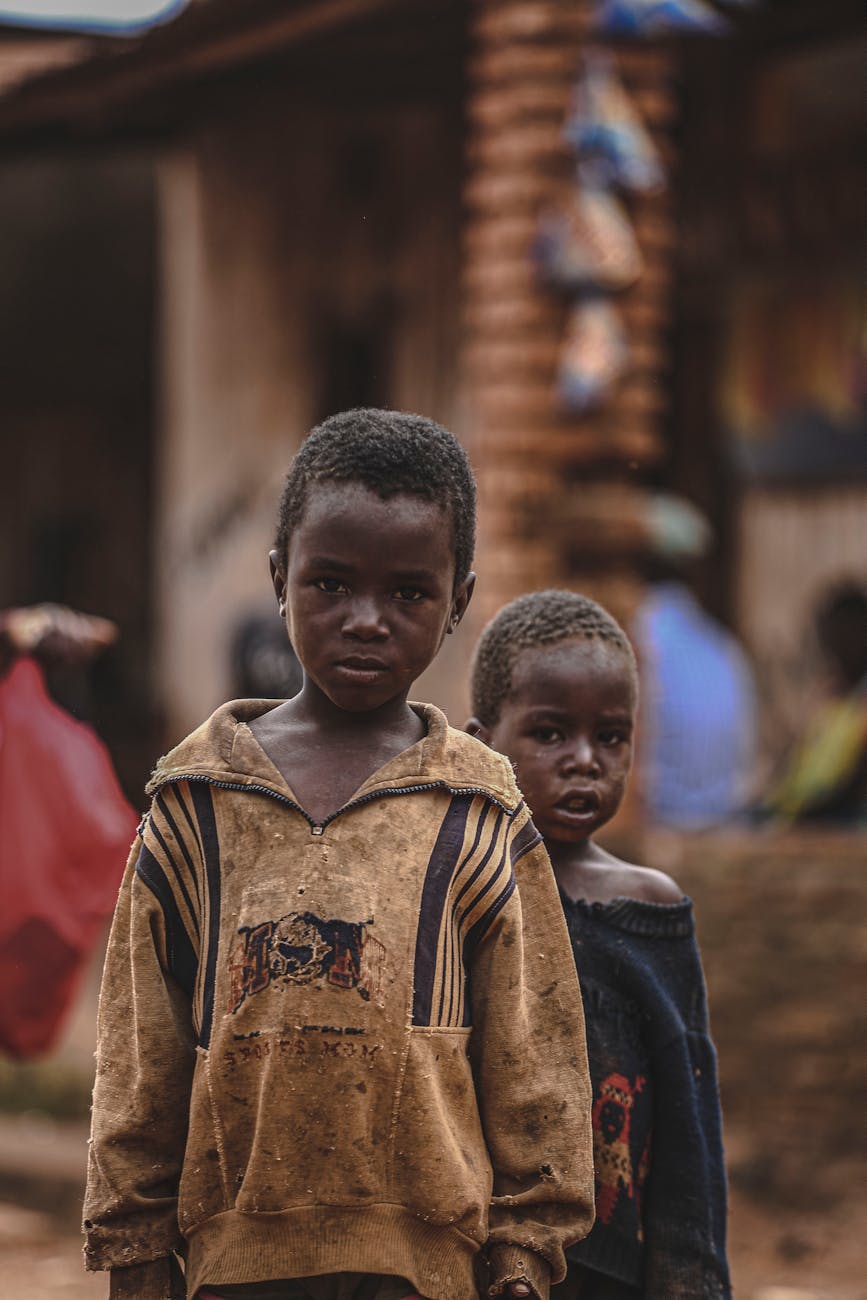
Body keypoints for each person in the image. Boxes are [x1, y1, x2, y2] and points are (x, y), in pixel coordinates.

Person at [83, 411, 595, 1300]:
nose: (366, 621)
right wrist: (133, 1246)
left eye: (408, 593)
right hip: (231, 1260)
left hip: (429, 1264)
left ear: (458, 601)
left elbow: (534, 1048)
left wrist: (523, 1250)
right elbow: (140, 1047)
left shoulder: (481, 809)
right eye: (329, 584)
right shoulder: (196, 802)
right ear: (279, 579)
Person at [467, 590, 731, 1300]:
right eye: (549, 734)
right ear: (480, 740)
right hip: (472, 1263)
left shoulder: (644, 911)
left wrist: (691, 1280)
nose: (584, 761)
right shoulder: (459, 899)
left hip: (608, 1271)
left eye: (610, 737)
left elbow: (686, 1133)